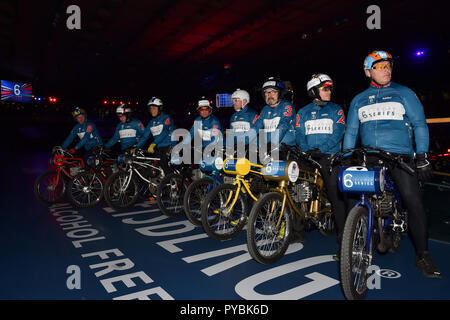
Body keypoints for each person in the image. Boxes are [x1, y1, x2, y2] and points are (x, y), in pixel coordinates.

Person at [343, 50, 441, 278]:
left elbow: (420, 124)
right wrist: (345, 158)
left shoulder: (404, 92)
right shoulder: (358, 99)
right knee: (352, 196)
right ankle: (355, 240)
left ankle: (423, 255)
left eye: (388, 65)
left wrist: (422, 156)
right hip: (370, 157)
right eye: (379, 66)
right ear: (368, 71)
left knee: (413, 201)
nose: (386, 69)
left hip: (400, 157)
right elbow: (351, 132)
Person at [295, 73, 347, 259]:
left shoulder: (336, 110)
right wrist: (307, 150)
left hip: (329, 156)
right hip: (308, 156)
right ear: (314, 91)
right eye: (325, 89)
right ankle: (298, 231)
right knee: (298, 190)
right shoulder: (302, 112)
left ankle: (343, 240)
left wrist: (321, 149)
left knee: (335, 196)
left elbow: (338, 133)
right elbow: (299, 134)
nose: (329, 92)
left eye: (330, 88)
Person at [252, 77, 296, 162]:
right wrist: (243, 142)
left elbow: (283, 125)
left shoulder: (287, 106)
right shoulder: (265, 109)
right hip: (268, 152)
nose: (269, 95)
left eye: (273, 92)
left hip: (285, 152)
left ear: (279, 93)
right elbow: (256, 128)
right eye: (267, 93)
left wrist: (272, 144)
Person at [137, 97, 175, 172]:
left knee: (164, 165)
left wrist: (153, 143)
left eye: (154, 108)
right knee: (153, 168)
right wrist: (136, 147)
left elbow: (165, 132)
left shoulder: (167, 118)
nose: (152, 111)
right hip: (158, 147)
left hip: (169, 146)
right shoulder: (152, 122)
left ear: (160, 108)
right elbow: (145, 136)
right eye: (150, 109)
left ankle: (172, 181)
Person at [184, 97, 223, 162]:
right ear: (199, 111)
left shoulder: (214, 121)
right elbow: (191, 133)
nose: (204, 112)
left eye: (206, 109)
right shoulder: (197, 120)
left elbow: (215, 139)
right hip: (203, 148)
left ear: (210, 110)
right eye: (202, 110)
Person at [228, 89, 258, 157]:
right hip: (236, 150)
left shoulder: (252, 114)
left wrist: (242, 144)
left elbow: (254, 133)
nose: (233, 103)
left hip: (249, 150)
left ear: (244, 101)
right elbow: (231, 134)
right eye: (233, 100)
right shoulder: (233, 116)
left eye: (236, 100)